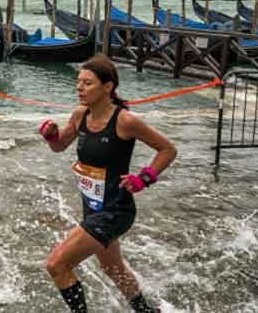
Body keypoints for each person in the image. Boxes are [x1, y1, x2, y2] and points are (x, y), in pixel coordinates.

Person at [38, 54, 176, 313]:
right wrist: (51, 135)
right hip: (93, 206)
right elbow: (59, 146)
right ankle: (146, 311)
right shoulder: (79, 115)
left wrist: (143, 178)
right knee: (113, 268)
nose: (79, 87)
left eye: (87, 83)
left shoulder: (125, 121)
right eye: (78, 82)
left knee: (57, 265)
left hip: (116, 209)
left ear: (107, 87)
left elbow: (167, 149)